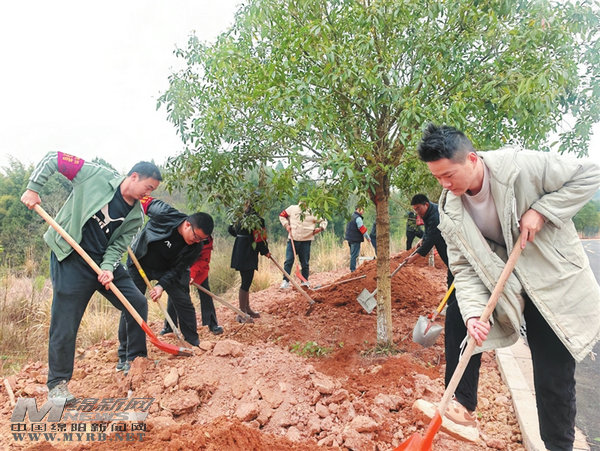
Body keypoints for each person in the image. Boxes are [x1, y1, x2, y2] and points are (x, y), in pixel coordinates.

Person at [417, 123, 600, 451]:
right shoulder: (450, 210)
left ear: (472, 159)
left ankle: (559, 446)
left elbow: (590, 173)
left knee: (552, 378)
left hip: (551, 283)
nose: (444, 185)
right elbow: (463, 268)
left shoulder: (520, 167)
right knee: (460, 313)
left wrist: (542, 211)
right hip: (507, 283)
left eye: (448, 175)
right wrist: (475, 314)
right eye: (437, 178)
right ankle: (462, 403)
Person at [20, 151, 162, 404]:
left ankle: (133, 361)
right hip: (71, 257)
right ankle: (58, 384)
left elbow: (117, 246)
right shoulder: (95, 175)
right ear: (134, 176)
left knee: (137, 302)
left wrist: (108, 268)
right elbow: (54, 158)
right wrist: (33, 188)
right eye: (148, 187)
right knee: (66, 320)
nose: (147, 194)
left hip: (102, 262)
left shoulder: (136, 216)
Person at [404, 193, 482, 431]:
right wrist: (421, 243)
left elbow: (432, 237)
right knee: (453, 330)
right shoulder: (433, 215)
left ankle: (462, 403)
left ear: (425, 205)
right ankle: (453, 396)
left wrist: (417, 254)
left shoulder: (438, 215)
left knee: (461, 331)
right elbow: (429, 235)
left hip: (466, 271)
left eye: (418, 209)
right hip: (456, 268)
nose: (417, 213)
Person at [118, 197, 214, 363]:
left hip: (167, 269)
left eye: (201, 239)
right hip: (140, 261)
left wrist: (161, 285)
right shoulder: (165, 213)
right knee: (132, 304)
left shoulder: (196, 246)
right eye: (196, 236)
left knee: (183, 301)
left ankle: (192, 342)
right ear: (187, 224)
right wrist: (123, 210)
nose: (197, 241)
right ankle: (125, 353)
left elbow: (178, 269)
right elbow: (142, 200)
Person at [160, 234, 223, 336]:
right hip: (180, 267)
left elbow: (204, 260)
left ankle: (212, 324)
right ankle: (169, 326)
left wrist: (192, 273)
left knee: (206, 293)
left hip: (199, 270)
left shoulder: (207, 240)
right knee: (174, 294)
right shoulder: (184, 235)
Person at [228, 201, 271, 323]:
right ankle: (242, 314)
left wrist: (241, 236)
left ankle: (247, 309)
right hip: (248, 252)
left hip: (239, 250)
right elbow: (260, 239)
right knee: (246, 282)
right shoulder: (257, 220)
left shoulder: (240, 217)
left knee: (246, 280)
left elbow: (230, 229)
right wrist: (266, 251)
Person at [278, 202, 328, 288]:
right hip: (293, 240)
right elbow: (282, 215)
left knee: (305, 263)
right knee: (289, 261)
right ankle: (285, 281)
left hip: (306, 241)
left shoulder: (313, 212)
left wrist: (320, 228)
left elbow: (324, 220)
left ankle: (304, 281)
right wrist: (286, 225)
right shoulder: (292, 208)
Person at [344, 206, 372, 272]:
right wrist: (367, 237)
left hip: (350, 239)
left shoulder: (352, 216)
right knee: (354, 255)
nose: (363, 211)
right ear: (358, 209)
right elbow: (361, 228)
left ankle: (352, 269)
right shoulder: (358, 218)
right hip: (355, 239)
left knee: (352, 255)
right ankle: (353, 270)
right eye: (362, 209)